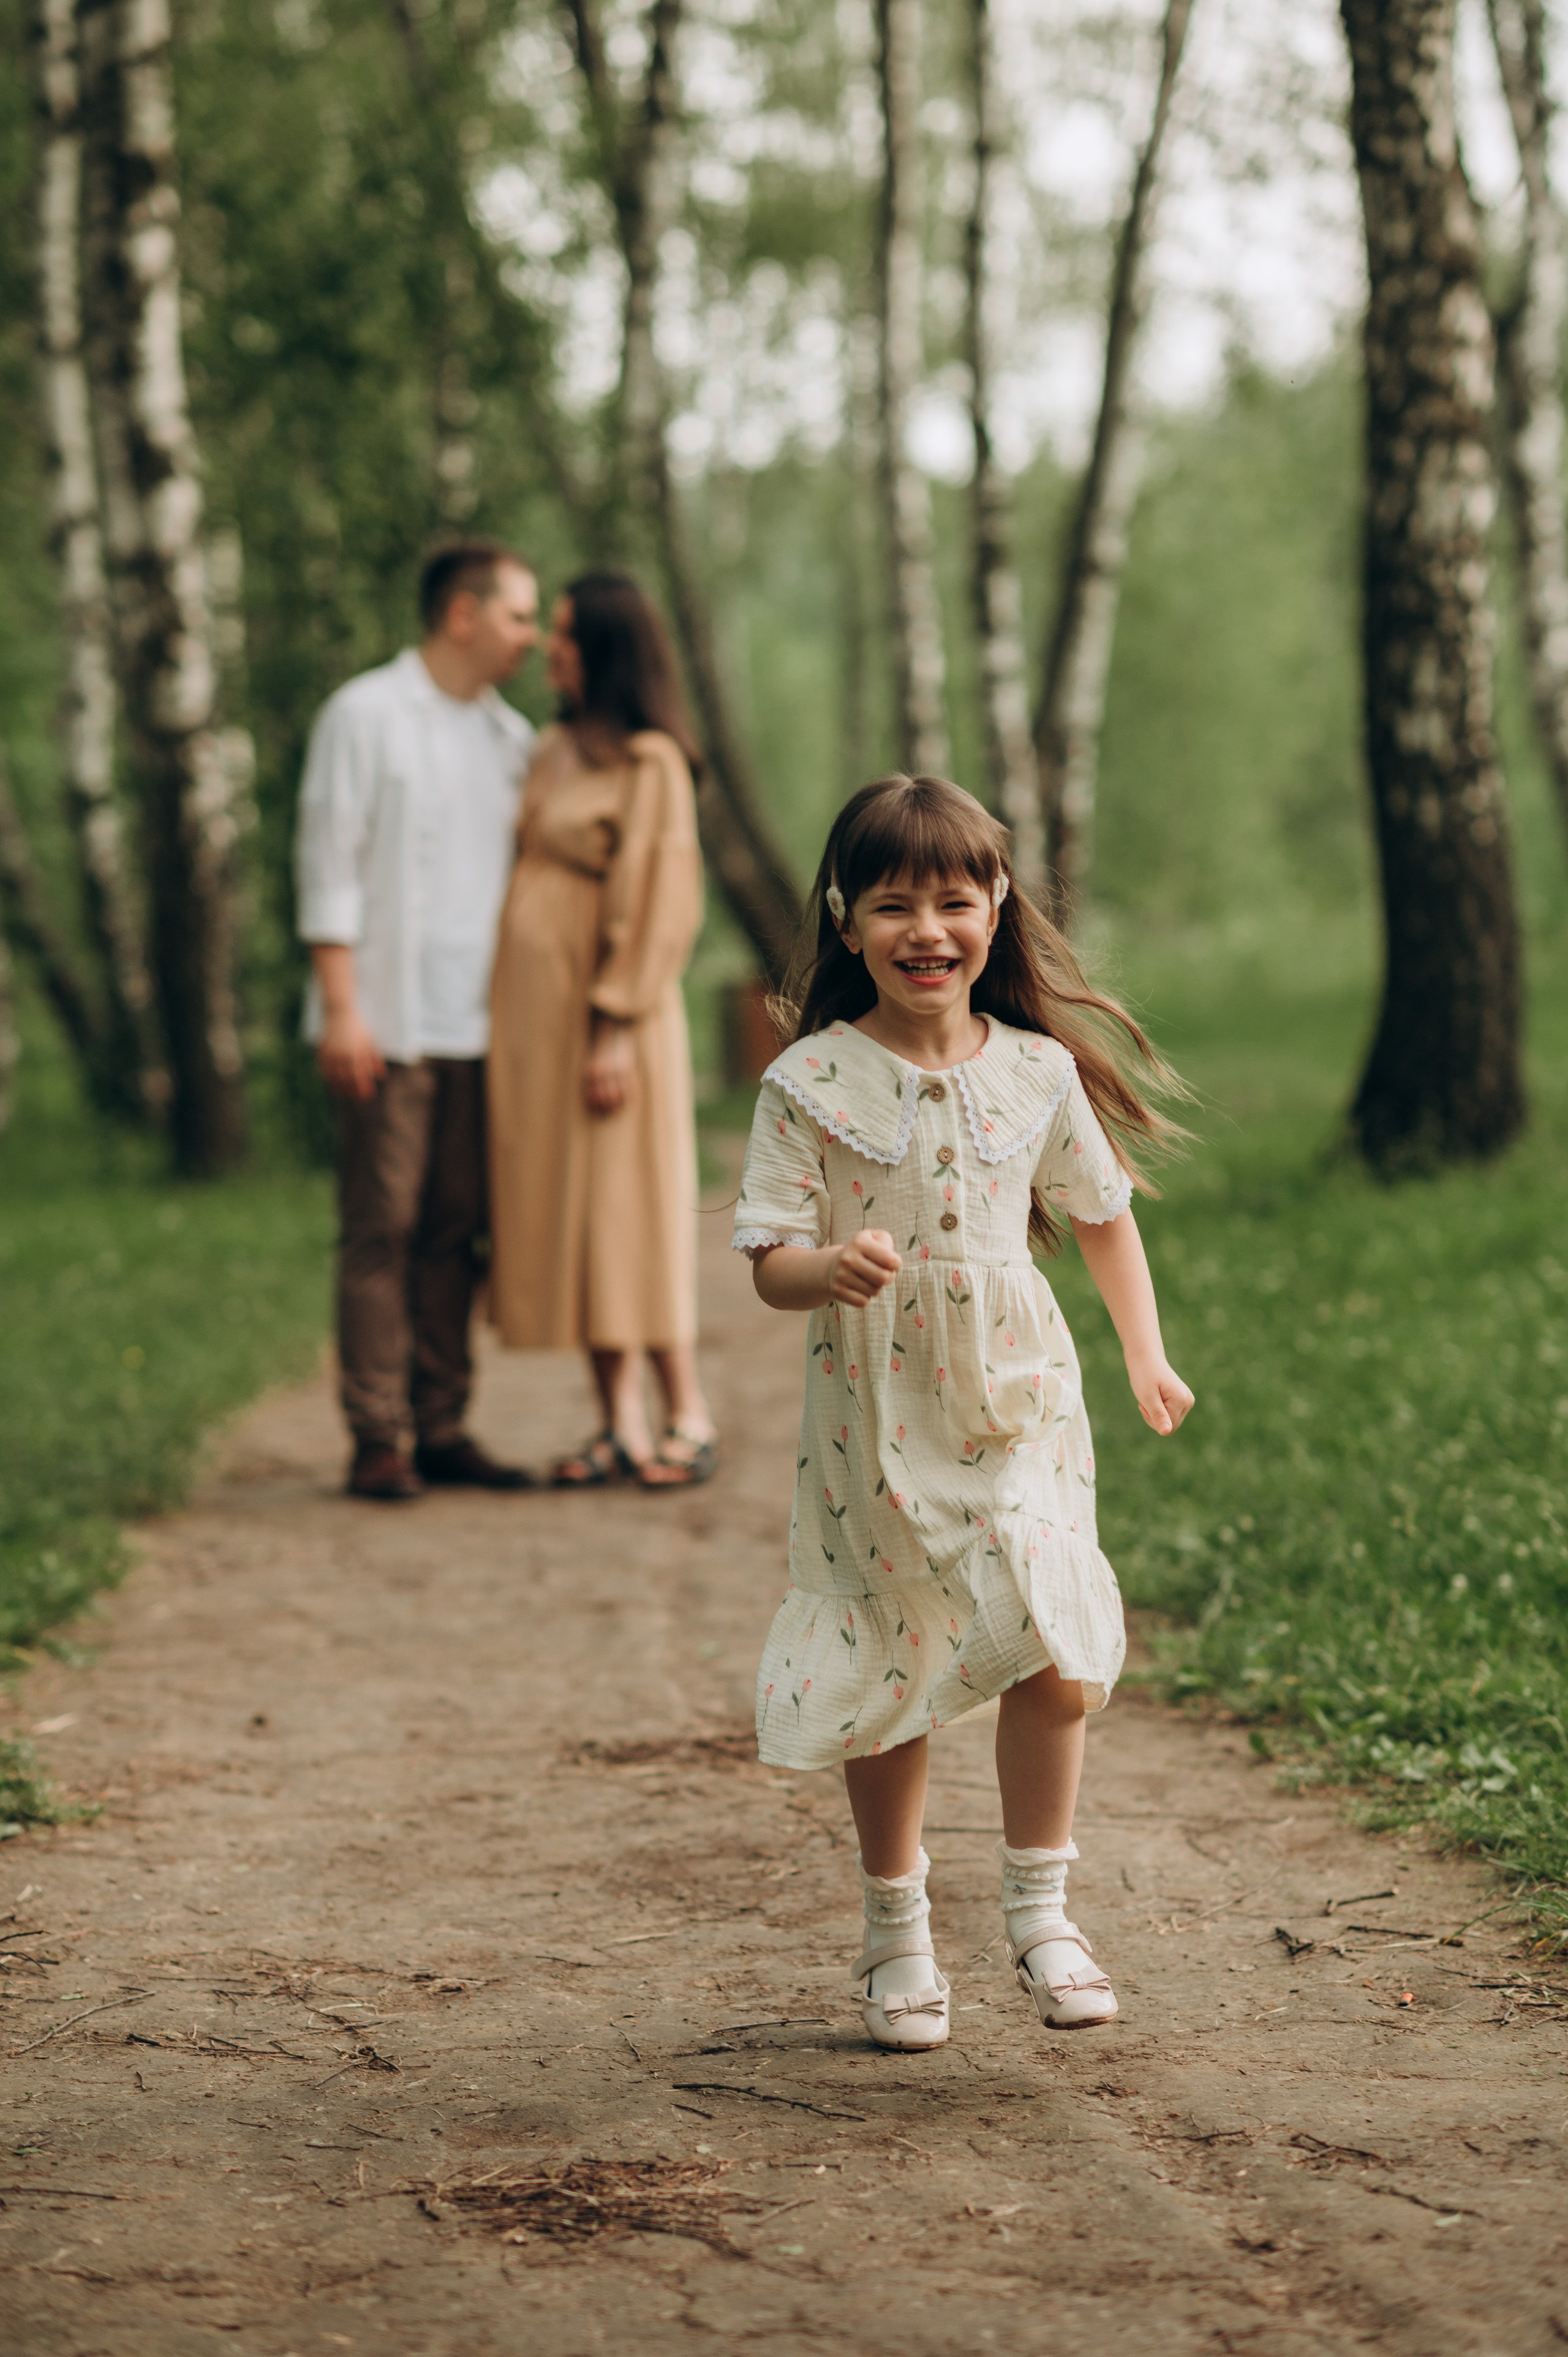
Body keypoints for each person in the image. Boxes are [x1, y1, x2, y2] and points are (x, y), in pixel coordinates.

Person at [733, 774, 1194, 2050]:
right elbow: (769, 1253)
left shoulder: (1037, 1073)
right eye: (893, 904)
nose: (925, 929)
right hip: (875, 1414)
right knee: (891, 1655)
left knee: (1055, 1641)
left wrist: (1144, 1356)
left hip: (1018, 1396)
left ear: (995, 907)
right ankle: (895, 1935)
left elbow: (1101, 1216)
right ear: (845, 923)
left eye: (952, 898)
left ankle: (1042, 1911)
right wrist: (827, 1271)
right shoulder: (809, 1080)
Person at [295, 538, 540, 1501]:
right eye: (519, 614)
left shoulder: (511, 742)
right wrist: (342, 1009)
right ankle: (376, 1434)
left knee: (457, 1229)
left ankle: (443, 1424)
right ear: (462, 614)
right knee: (382, 1226)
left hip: (483, 1030)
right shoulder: (363, 715)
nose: (528, 635)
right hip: (385, 1022)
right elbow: (329, 864)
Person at [486, 570, 717, 1488]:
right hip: (540, 1025)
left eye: (569, 634)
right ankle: (615, 1422)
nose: (552, 647)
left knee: (634, 1211)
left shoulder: (650, 760)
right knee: (574, 1217)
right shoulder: (550, 749)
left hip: (613, 1017)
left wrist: (615, 1020)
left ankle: (687, 1411)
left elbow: (662, 896)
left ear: (610, 649)